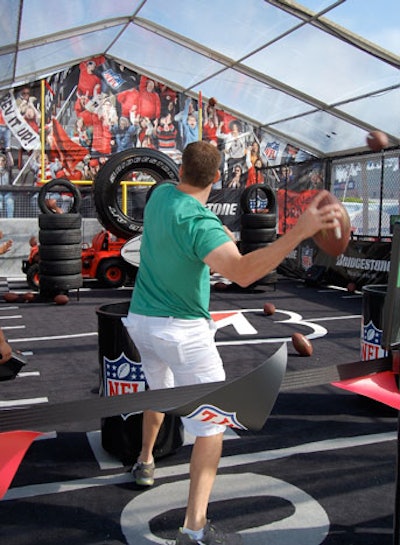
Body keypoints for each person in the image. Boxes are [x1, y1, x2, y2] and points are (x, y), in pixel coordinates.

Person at [123, 141, 342, 545]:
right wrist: (299, 232)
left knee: (158, 392)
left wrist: (216, 235)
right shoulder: (200, 222)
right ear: (218, 178)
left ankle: (145, 460)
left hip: (140, 323)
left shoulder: (159, 198)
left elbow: (192, 236)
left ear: (180, 169)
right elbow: (242, 273)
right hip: (182, 332)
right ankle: (193, 529)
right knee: (212, 424)